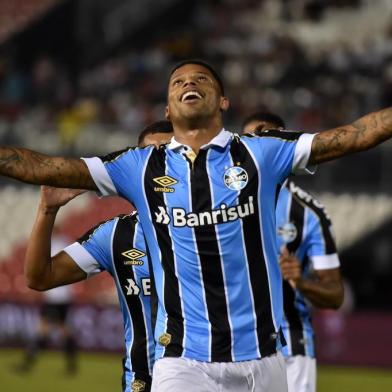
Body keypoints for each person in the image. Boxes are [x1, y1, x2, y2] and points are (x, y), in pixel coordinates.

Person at [1, 60, 392, 391]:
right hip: (183, 362)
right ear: (168, 109)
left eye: (201, 79)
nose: (189, 82)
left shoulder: (261, 153)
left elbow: (353, 136)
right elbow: (45, 167)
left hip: (264, 360)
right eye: (178, 82)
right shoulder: (139, 166)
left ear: (223, 100)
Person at [24, 121, 173, 392]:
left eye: (168, 153)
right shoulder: (116, 235)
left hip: (207, 375)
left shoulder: (225, 226)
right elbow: (39, 277)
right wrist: (47, 210)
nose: (159, 166)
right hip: (142, 383)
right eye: (149, 157)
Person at [242, 111, 344, 392]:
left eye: (265, 135)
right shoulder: (218, 200)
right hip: (230, 345)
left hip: (291, 345)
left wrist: (301, 281)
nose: (257, 143)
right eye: (249, 137)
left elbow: (335, 295)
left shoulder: (308, 214)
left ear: (285, 139)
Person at [14, 234, 78, 375]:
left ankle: (27, 364)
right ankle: (71, 366)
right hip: (63, 295)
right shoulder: (66, 242)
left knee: (45, 330)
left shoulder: (51, 244)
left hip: (54, 296)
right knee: (62, 330)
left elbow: (42, 267)